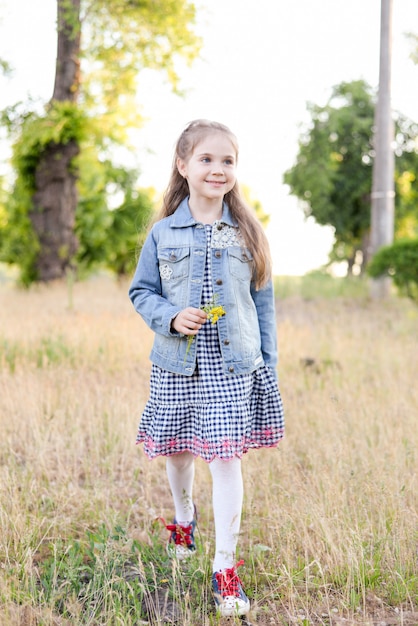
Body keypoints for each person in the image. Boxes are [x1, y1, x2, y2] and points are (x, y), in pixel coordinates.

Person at [129, 119, 285, 617]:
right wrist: (171, 317)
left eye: (227, 161)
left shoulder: (247, 233)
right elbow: (141, 292)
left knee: (225, 462)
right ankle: (183, 517)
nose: (218, 170)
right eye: (206, 159)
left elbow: (263, 305)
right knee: (178, 453)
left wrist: (270, 366)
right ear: (183, 166)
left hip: (233, 366)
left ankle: (224, 567)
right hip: (176, 362)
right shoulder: (163, 232)